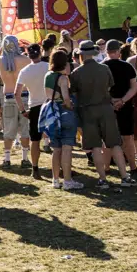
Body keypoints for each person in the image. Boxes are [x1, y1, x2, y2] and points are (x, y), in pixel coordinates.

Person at [71, 41, 131, 190]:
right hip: (106, 109)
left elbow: (75, 94)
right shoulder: (104, 68)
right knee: (115, 143)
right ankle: (125, 176)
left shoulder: (76, 73)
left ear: (81, 55)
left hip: (87, 111)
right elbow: (109, 87)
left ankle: (103, 179)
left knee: (95, 147)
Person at [43, 51, 82, 190]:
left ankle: (55, 180)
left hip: (52, 113)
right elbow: (66, 99)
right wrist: (72, 106)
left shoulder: (48, 75)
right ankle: (67, 181)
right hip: (64, 113)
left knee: (56, 149)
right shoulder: (63, 78)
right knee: (67, 148)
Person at [104, 39, 137, 178]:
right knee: (128, 137)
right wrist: (123, 100)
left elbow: (100, 89)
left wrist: (112, 100)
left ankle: (106, 167)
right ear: (118, 51)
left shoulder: (102, 67)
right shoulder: (127, 66)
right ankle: (133, 166)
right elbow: (135, 87)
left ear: (107, 52)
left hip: (107, 106)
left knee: (107, 138)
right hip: (125, 106)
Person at [0, 36, 31, 168]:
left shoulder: (0, 61)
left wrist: (3, 47)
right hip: (24, 97)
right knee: (25, 129)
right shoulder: (25, 60)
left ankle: (7, 159)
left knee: (9, 131)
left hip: (9, 97)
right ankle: (25, 158)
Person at [14, 43, 49, 178]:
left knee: (35, 140)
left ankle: (35, 168)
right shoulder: (48, 67)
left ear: (28, 55)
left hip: (34, 107)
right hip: (49, 105)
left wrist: (23, 111)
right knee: (57, 139)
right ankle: (63, 167)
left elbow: (17, 94)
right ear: (40, 52)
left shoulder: (24, 71)